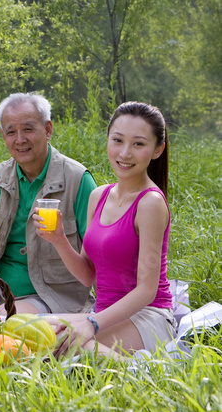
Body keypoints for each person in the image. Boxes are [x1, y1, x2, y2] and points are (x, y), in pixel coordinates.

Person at [35, 101, 177, 355]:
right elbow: (89, 275)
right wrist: (59, 240)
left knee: (63, 346)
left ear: (157, 150)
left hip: (148, 316)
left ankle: (140, 374)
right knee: (26, 330)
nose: (124, 153)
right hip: (104, 314)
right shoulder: (98, 196)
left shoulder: (150, 203)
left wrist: (91, 323)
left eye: (139, 144)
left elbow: (147, 290)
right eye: (118, 140)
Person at [0, 92, 96, 314]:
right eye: (11, 132)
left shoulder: (78, 179)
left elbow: (95, 260)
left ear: (47, 130)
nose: (19, 140)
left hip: (52, 295)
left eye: (28, 129)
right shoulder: (0, 176)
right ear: (3, 136)